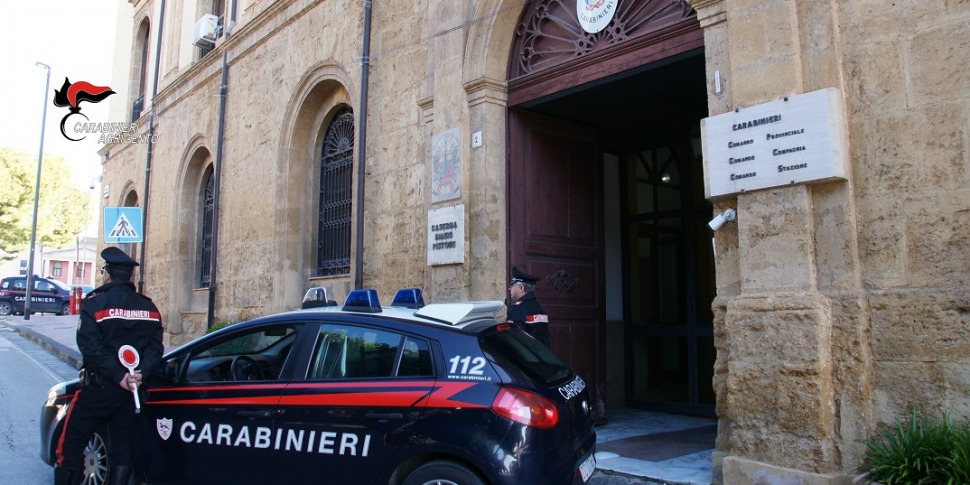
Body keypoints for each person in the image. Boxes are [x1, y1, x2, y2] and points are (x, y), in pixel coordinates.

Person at [54, 247, 164, 485]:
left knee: (69, 446)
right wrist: (138, 375)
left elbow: (90, 348)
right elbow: (155, 349)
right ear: (130, 277)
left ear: (107, 273)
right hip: (131, 393)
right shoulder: (150, 307)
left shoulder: (96, 303)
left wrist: (118, 376)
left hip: (99, 389)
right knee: (121, 451)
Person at [506, 266, 550, 346]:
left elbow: (513, 340)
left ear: (521, 288)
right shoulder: (540, 308)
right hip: (541, 356)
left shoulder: (517, 309)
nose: (510, 289)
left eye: (512, 285)